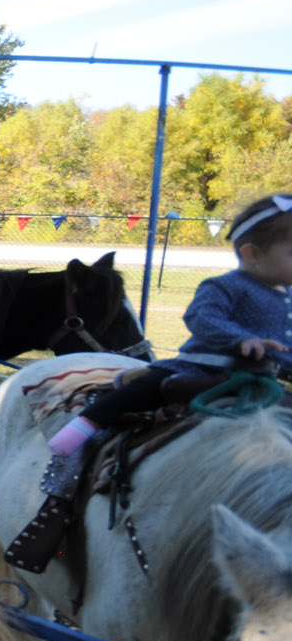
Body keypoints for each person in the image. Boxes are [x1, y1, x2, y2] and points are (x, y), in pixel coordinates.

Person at [39, 192, 292, 497]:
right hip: (203, 367)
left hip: (258, 378)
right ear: (253, 254)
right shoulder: (225, 286)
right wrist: (241, 339)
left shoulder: (285, 296)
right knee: (144, 388)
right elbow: (201, 317)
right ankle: (85, 426)